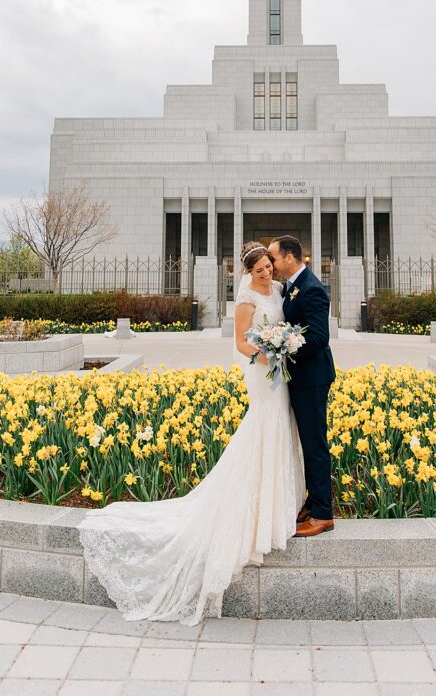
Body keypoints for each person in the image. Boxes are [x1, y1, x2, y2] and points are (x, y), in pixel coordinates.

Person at [77, 241, 304, 625]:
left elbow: (284, 325)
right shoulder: (246, 299)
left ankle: (278, 502)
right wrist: (268, 354)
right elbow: (241, 342)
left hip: (280, 374)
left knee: (280, 427)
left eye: (268, 266)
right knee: (262, 428)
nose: (266, 272)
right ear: (248, 273)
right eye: (259, 270)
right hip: (262, 373)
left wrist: (284, 346)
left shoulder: (280, 290)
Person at [267, 235, 336, 537]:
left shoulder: (312, 288)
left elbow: (319, 337)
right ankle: (311, 501)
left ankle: (322, 514)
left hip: (312, 378)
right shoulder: (291, 286)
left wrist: (284, 345)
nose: (271, 264)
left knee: (314, 444)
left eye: (273, 258)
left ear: (289, 257)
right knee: (306, 442)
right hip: (300, 377)